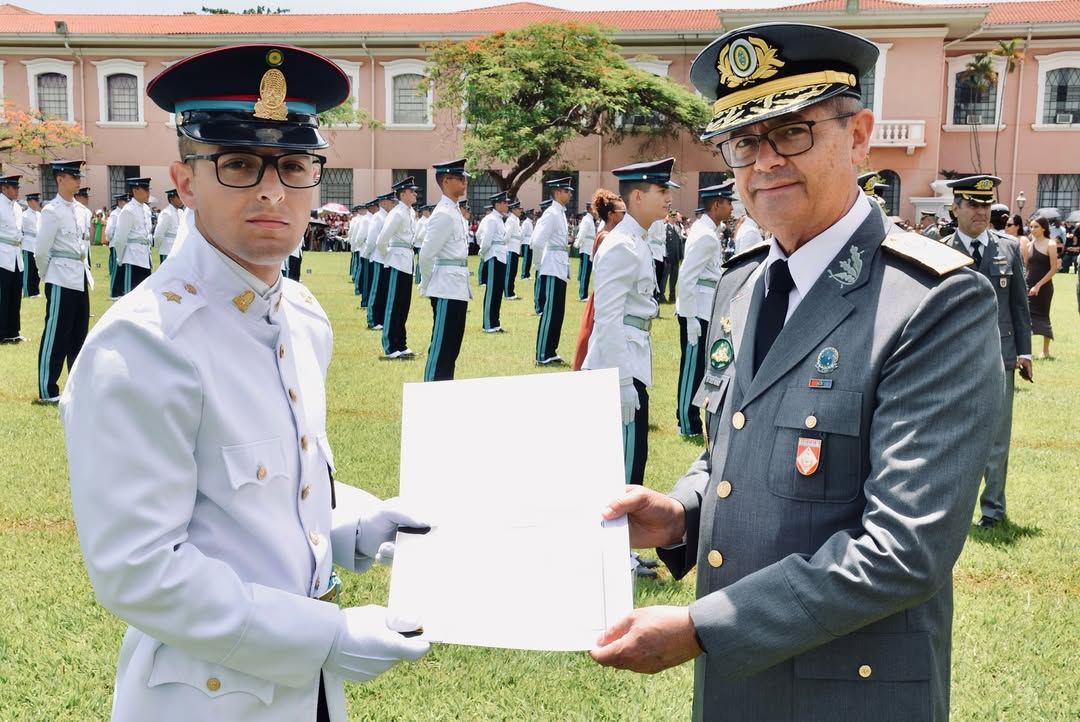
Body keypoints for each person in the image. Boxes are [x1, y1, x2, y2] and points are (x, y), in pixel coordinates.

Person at [590, 24, 1004, 722]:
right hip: (736, 690)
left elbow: (903, 549)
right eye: (744, 140)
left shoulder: (932, 299)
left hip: (852, 693)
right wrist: (680, 514)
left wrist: (701, 628)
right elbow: (735, 446)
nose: (765, 161)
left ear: (859, 136)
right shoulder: (743, 280)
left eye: (792, 132)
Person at [61, 45, 429, 722]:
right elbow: (139, 569)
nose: (272, 191)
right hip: (204, 699)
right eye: (238, 164)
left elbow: (273, 484)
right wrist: (324, 638)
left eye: (294, 165)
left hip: (306, 694)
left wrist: (352, 523)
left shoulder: (303, 318)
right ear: (185, 180)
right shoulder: (145, 344)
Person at [940, 175, 1033, 530]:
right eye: (973, 205)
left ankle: (993, 510)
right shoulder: (940, 248)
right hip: (952, 356)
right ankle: (950, 509)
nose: (981, 212)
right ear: (955, 208)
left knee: (997, 437)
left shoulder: (1008, 248)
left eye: (986, 205)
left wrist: (1025, 353)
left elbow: (1019, 306)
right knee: (951, 434)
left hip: (1000, 354)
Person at [582, 159, 674, 488]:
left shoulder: (636, 239)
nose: (669, 198)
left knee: (632, 462)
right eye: (661, 190)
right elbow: (607, 318)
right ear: (637, 195)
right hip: (619, 365)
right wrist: (621, 381)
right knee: (623, 472)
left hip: (631, 358)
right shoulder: (622, 244)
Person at [675, 181, 734, 438]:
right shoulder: (705, 235)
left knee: (697, 367)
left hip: (702, 307)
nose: (732, 207)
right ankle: (686, 423)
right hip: (696, 309)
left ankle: (688, 420)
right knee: (692, 369)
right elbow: (687, 277)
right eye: (729, 202)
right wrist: (689, 318)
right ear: (717, 204)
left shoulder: (706, 231)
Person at [34, 160, 92, 403]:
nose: (78, 181)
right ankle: (48, 389)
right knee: (57, 335)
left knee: (79, 335)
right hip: (60, 277)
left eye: (79, 177)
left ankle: (76, 386)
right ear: (60, 179)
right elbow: (41, 251)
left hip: (80, 276)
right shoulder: (52, 211)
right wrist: (46, 275)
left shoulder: (82, 211)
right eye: (73, 177)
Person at [419, 159, 472, 381]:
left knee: (451, 347)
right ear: (446, 181)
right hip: (445, 287)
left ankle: (444, 389)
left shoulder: (454, 211)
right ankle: (431, 389)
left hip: (457, 286)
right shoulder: (443, 213)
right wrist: (428, 283)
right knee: (441, 348)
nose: (464, 182)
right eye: (459, 178)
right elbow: (426, 255)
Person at [572, 188, 624, 371]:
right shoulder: (606, 237)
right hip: (604, 295)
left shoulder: (609, 235)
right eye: (622, 212)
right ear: (611, 215)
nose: (625, 216)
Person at [376, 176, 420, 358]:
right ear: (402, 194)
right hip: (397, 260)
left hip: (407, 260)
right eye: (411, 191)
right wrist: (389, 257)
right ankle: (390, 346)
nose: (415, 194)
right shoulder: (397, 213)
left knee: (403, 305)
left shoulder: (410, 212)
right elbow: (381, 240)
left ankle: (401, 343)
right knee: (393, 305)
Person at [533, 177, 574, 364]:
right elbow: (537, 241)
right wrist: (539, 265)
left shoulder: (560, 213)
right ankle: (543, 353)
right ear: (557, 192)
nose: (570, 194)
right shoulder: (551, 213)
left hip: (559, 266)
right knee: (550, 312)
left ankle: (551, 350)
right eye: (566, 191)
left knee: (558, 312)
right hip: (551, 266)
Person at [112, 177, 154, 296]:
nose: (148, 193)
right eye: (145, 189)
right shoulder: (128, 210)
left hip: (145, 257)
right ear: (135, 191)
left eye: (148, 189)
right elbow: (120, 238)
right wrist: (120, 258)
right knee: (131, 293)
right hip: (132, 257)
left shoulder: (146, 209)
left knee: (144, 294)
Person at [1022, 215, 1057, 359]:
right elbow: (1026, 267)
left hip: (1044, 287)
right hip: (1028, 285)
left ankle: (1045, 351)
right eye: (1031, 227)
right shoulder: (1029, 245)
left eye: (1036, 226)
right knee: (1025, 316)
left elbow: (1054, 269)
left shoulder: (1051, 244)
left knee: (1043, 316)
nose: (1032, 229)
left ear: (1043, 228)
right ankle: (1025, 350)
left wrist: (1038, 285)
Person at [476, 191, 509, 332]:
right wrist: (483, 252)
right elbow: (484, 238)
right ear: (497, 204)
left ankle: (495, 322)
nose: (507, 205)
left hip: (501, 255)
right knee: (492, 290)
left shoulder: (499, 219)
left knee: (498, 290)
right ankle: (488, 324)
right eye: (504, 202)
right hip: (493, 255)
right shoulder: (491, 219)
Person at [0, 174, 26, 343]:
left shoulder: (16, 207)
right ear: (4, 188)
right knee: (2, 296)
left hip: (16, 253)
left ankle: (13, 331)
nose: (17, 191)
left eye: (17, 187)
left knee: (15, 294)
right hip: (2, 254)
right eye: (14, 187)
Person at [154, 188, 184, 263]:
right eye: (179, 197)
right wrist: (159, 246)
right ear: (171, 199)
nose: (181, 199)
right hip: (167, 249)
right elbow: (159, 233)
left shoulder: (180, 213)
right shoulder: (166, 213)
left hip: (178, 249)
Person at [21, 192, 42, 298]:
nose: (38, 202)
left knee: (37, 269)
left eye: (38, 200)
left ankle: (35, 291)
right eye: (36, 200)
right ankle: (28, 291)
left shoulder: (39, 215)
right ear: (29, 202)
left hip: (37, 244)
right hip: (28, 244)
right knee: (29, 270)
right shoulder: (24, 215)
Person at [575, 202, 597, 301]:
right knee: (585, 272)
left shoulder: (590, 220)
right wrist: (578, 244)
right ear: (590, 209)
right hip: (586, 248)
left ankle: (584, 293)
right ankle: (582, 295)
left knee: (587, 272)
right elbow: (582, 233)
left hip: (589, 248)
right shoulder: (586, 220)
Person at [503, 200, 524, 300]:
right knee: (509, 272)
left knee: (513, 271)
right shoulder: (511, 220)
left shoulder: (516, 220)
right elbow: (507, 235)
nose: (520, 211)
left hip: (515, 248)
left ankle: (511, 291)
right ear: (513, 210)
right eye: (518, 209)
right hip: (511, 248)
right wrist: (506, 247)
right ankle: (508, 293)